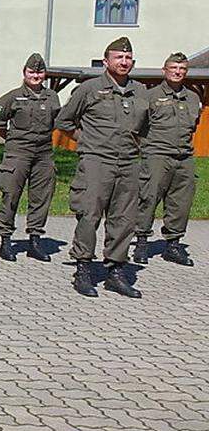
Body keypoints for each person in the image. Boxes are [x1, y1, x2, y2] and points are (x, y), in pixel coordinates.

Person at [56, 36, 146, 298]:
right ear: (106, 61)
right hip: (96, 162)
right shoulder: (90, 89)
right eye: (119, 57)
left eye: (128, 58)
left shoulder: (140, 91)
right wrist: (85, 141)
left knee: (124, 219)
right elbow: (65, 120)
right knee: (89, 215)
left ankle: (115, 272)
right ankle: (83, 269)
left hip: (129, 163)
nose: (124, 61)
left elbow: (146, 128)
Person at [133, 52, 200, 267]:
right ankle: (142, 242)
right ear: (165, 70)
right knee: (148, 198)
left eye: (182, 69)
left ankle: (173, 244)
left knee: (181, 202)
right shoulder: (150, 96)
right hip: (157, 156)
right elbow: (137, 127)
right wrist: (146, 148)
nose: (178, 72)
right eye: (173, 68)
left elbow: (194, 127)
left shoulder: (192, 97)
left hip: (184, 156)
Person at [0, 54, 60, 262]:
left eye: (39, 72)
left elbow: (57, 121)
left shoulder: (52, 97)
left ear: (45, 74)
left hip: (43, 154)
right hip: (18, 153)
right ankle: (5, 240)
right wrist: (12, 139)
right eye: (32, 72)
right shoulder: (12, 97)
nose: (36, 76)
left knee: (41, 197)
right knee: (11, 195)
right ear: (24, 73)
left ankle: (34, 240)